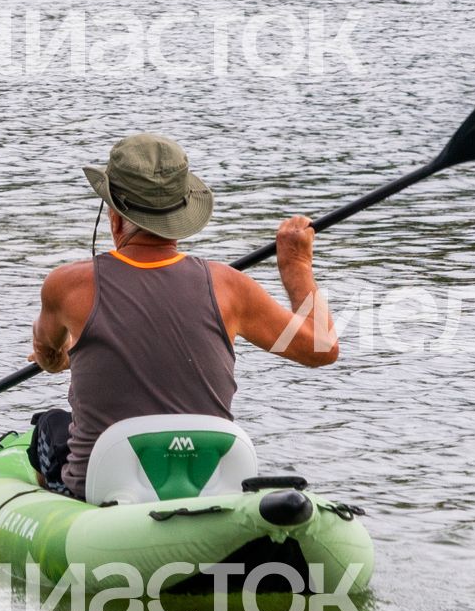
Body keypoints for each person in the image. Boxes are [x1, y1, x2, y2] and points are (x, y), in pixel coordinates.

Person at [25, 132, 338, 497]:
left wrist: (63, 358)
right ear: (181, 212)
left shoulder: (67, 286)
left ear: (113, 216)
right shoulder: (229, 287)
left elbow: (47, 353)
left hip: (103, 487)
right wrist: (296, 265)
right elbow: (322, 348)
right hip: (211, 483)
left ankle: (62, 520)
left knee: (48, 429)